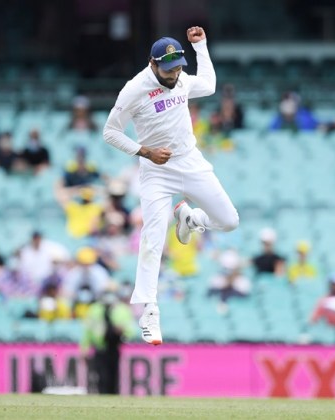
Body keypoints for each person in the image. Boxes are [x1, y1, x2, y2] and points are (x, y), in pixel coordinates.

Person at [103, 26, 240, 345]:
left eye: (179, 67)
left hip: (190, 161)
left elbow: (207, 85)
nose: (175, 74)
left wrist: (201, 46)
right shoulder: (134, 89)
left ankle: (190, 219)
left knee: (229, 221)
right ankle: (149, 310)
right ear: (152, 64)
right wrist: (144, 151)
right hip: (156, 170)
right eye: (168, 69)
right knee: (152, 238)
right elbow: (110, 132)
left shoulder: (181, 78)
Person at [80, 285, 135, 394]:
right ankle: (102, 395)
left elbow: (130, 330)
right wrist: (84, 348)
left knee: (114, 375)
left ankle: (113, 395)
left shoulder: (122, 310)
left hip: (114, 347)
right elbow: (88, 331)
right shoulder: (94, 309)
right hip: (100, 347)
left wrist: (122, 331)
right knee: (100, 375)